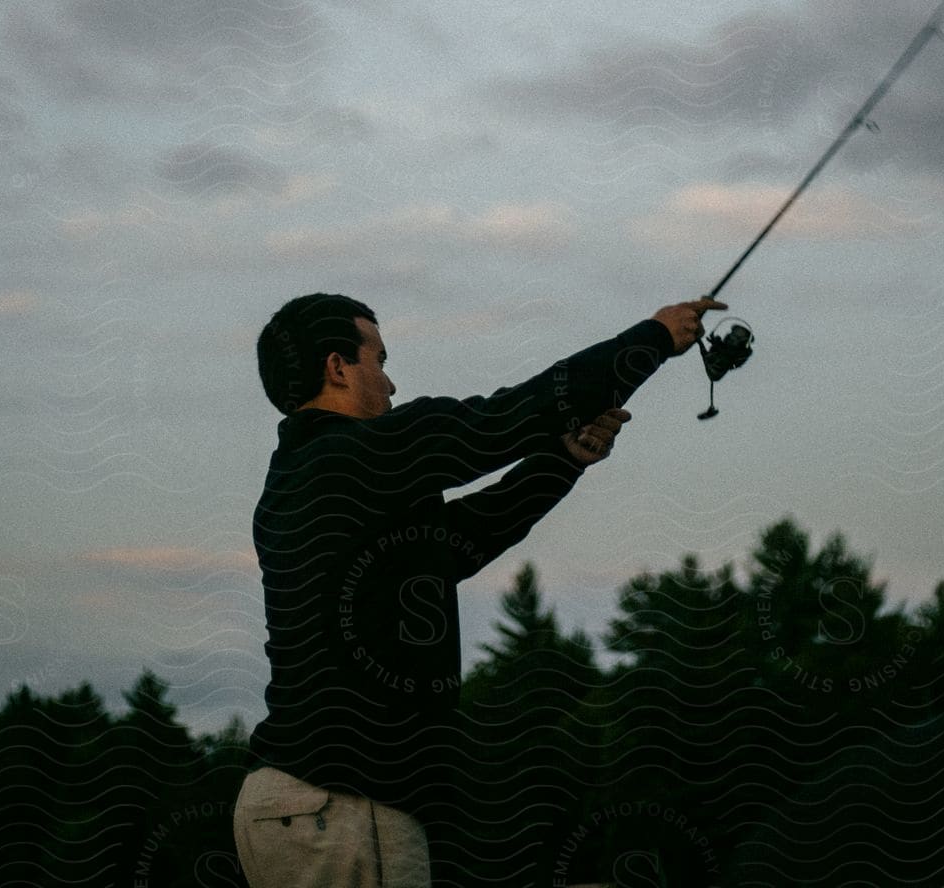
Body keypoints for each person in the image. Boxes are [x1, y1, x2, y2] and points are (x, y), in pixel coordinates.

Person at [233, 291, 725, 888]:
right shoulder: (359, 453)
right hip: (342, 803)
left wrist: (562, 458)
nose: (390, 385)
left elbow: (456, 543)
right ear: (337, 367)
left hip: (283, 804)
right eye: (380, 360)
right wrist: (650, 340)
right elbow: (504, 419)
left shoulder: (301, 477)